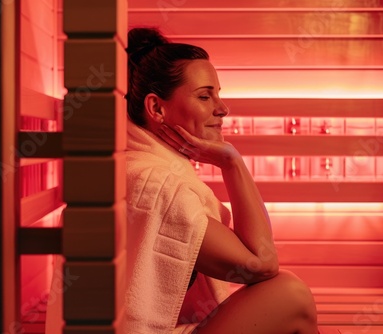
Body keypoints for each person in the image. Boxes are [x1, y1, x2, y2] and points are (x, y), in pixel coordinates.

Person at [124, 27, 318, 334]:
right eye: (204, 96)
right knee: (291, 294)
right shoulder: (157, 184)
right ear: (157, 108)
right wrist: (232, 163)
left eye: (218, 94)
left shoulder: (137, 169)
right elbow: (261, 263)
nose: (222, 108)